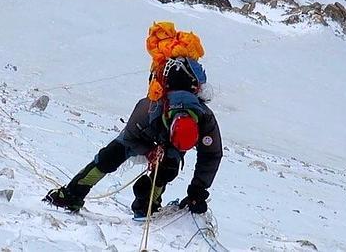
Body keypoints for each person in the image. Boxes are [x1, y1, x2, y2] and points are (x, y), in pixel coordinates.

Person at [44, 57, 222, 217]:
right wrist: (149, 151)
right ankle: (72, 195)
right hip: (145, 133)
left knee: (167, 167)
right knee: (109, 157)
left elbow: (211, 154)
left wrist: (197, 192)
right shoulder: (147, 109)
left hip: (170, 142)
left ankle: (147, 206)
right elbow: (129, 139)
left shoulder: (205, 120)